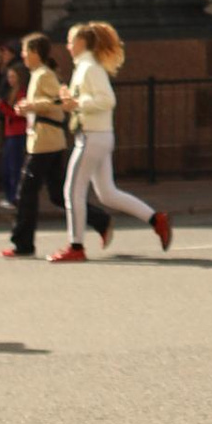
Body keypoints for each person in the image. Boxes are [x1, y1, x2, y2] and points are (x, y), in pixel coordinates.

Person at [52, 22, 173, 261]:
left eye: (70, 41)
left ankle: (76, 247)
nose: (67, 46)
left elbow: (107, 100)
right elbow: (90, 101)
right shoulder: (85, 67)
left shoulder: (88, 68)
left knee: (72, 191)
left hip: (92, 137)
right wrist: (71, 101)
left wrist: (77, 104)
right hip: (99, 135)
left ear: (80, 42)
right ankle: (156, 219)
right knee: (107, 193)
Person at [6, 32, 76, 257]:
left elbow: (61, 102)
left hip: (45, 142)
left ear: (36, 52)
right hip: (44, 141)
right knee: (57, 193)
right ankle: (100, 220)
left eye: (26, 51)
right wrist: (28, 106)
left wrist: (32, 105)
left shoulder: (45, 74)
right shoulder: (37, 74)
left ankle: (23, 243)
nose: (23, 55)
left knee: (26, 192)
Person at [0, 49, 27, 212]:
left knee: (15, 167)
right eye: (9, 77)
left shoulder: (21, 93)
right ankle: (11, 197)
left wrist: (1, 106)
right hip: (11, 133)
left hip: (18, 133)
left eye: (13, 77)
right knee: (8, 167)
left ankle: (16, 199)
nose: (10, 80)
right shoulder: (12, 92)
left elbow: (18, 114)